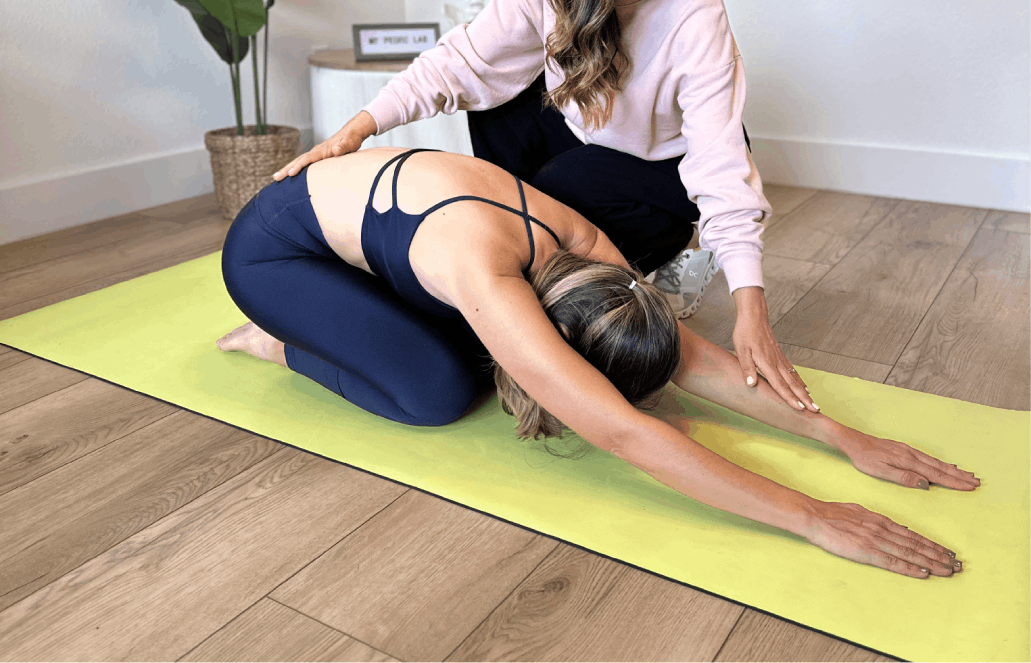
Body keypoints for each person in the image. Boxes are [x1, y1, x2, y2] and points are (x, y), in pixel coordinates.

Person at [223, 147, 977, 578]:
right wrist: (811, 517)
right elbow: (620, 431)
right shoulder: (485, 273)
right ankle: (284, 339)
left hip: (391, 241)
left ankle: (362, 318)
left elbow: (690, 357)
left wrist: (840, 437)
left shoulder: (587, 254)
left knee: (477, 349)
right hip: (274, 252)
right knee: (437, 391)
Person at [273, 0, 805, 411]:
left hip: (664, 166)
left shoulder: (694, 1)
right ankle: (528, 257)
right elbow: (464, 63)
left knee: (555, 197)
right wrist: (357, 129)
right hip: (582, 129)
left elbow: (720, 161)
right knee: (495, 112)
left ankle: (658, 252)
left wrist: (751, 309)